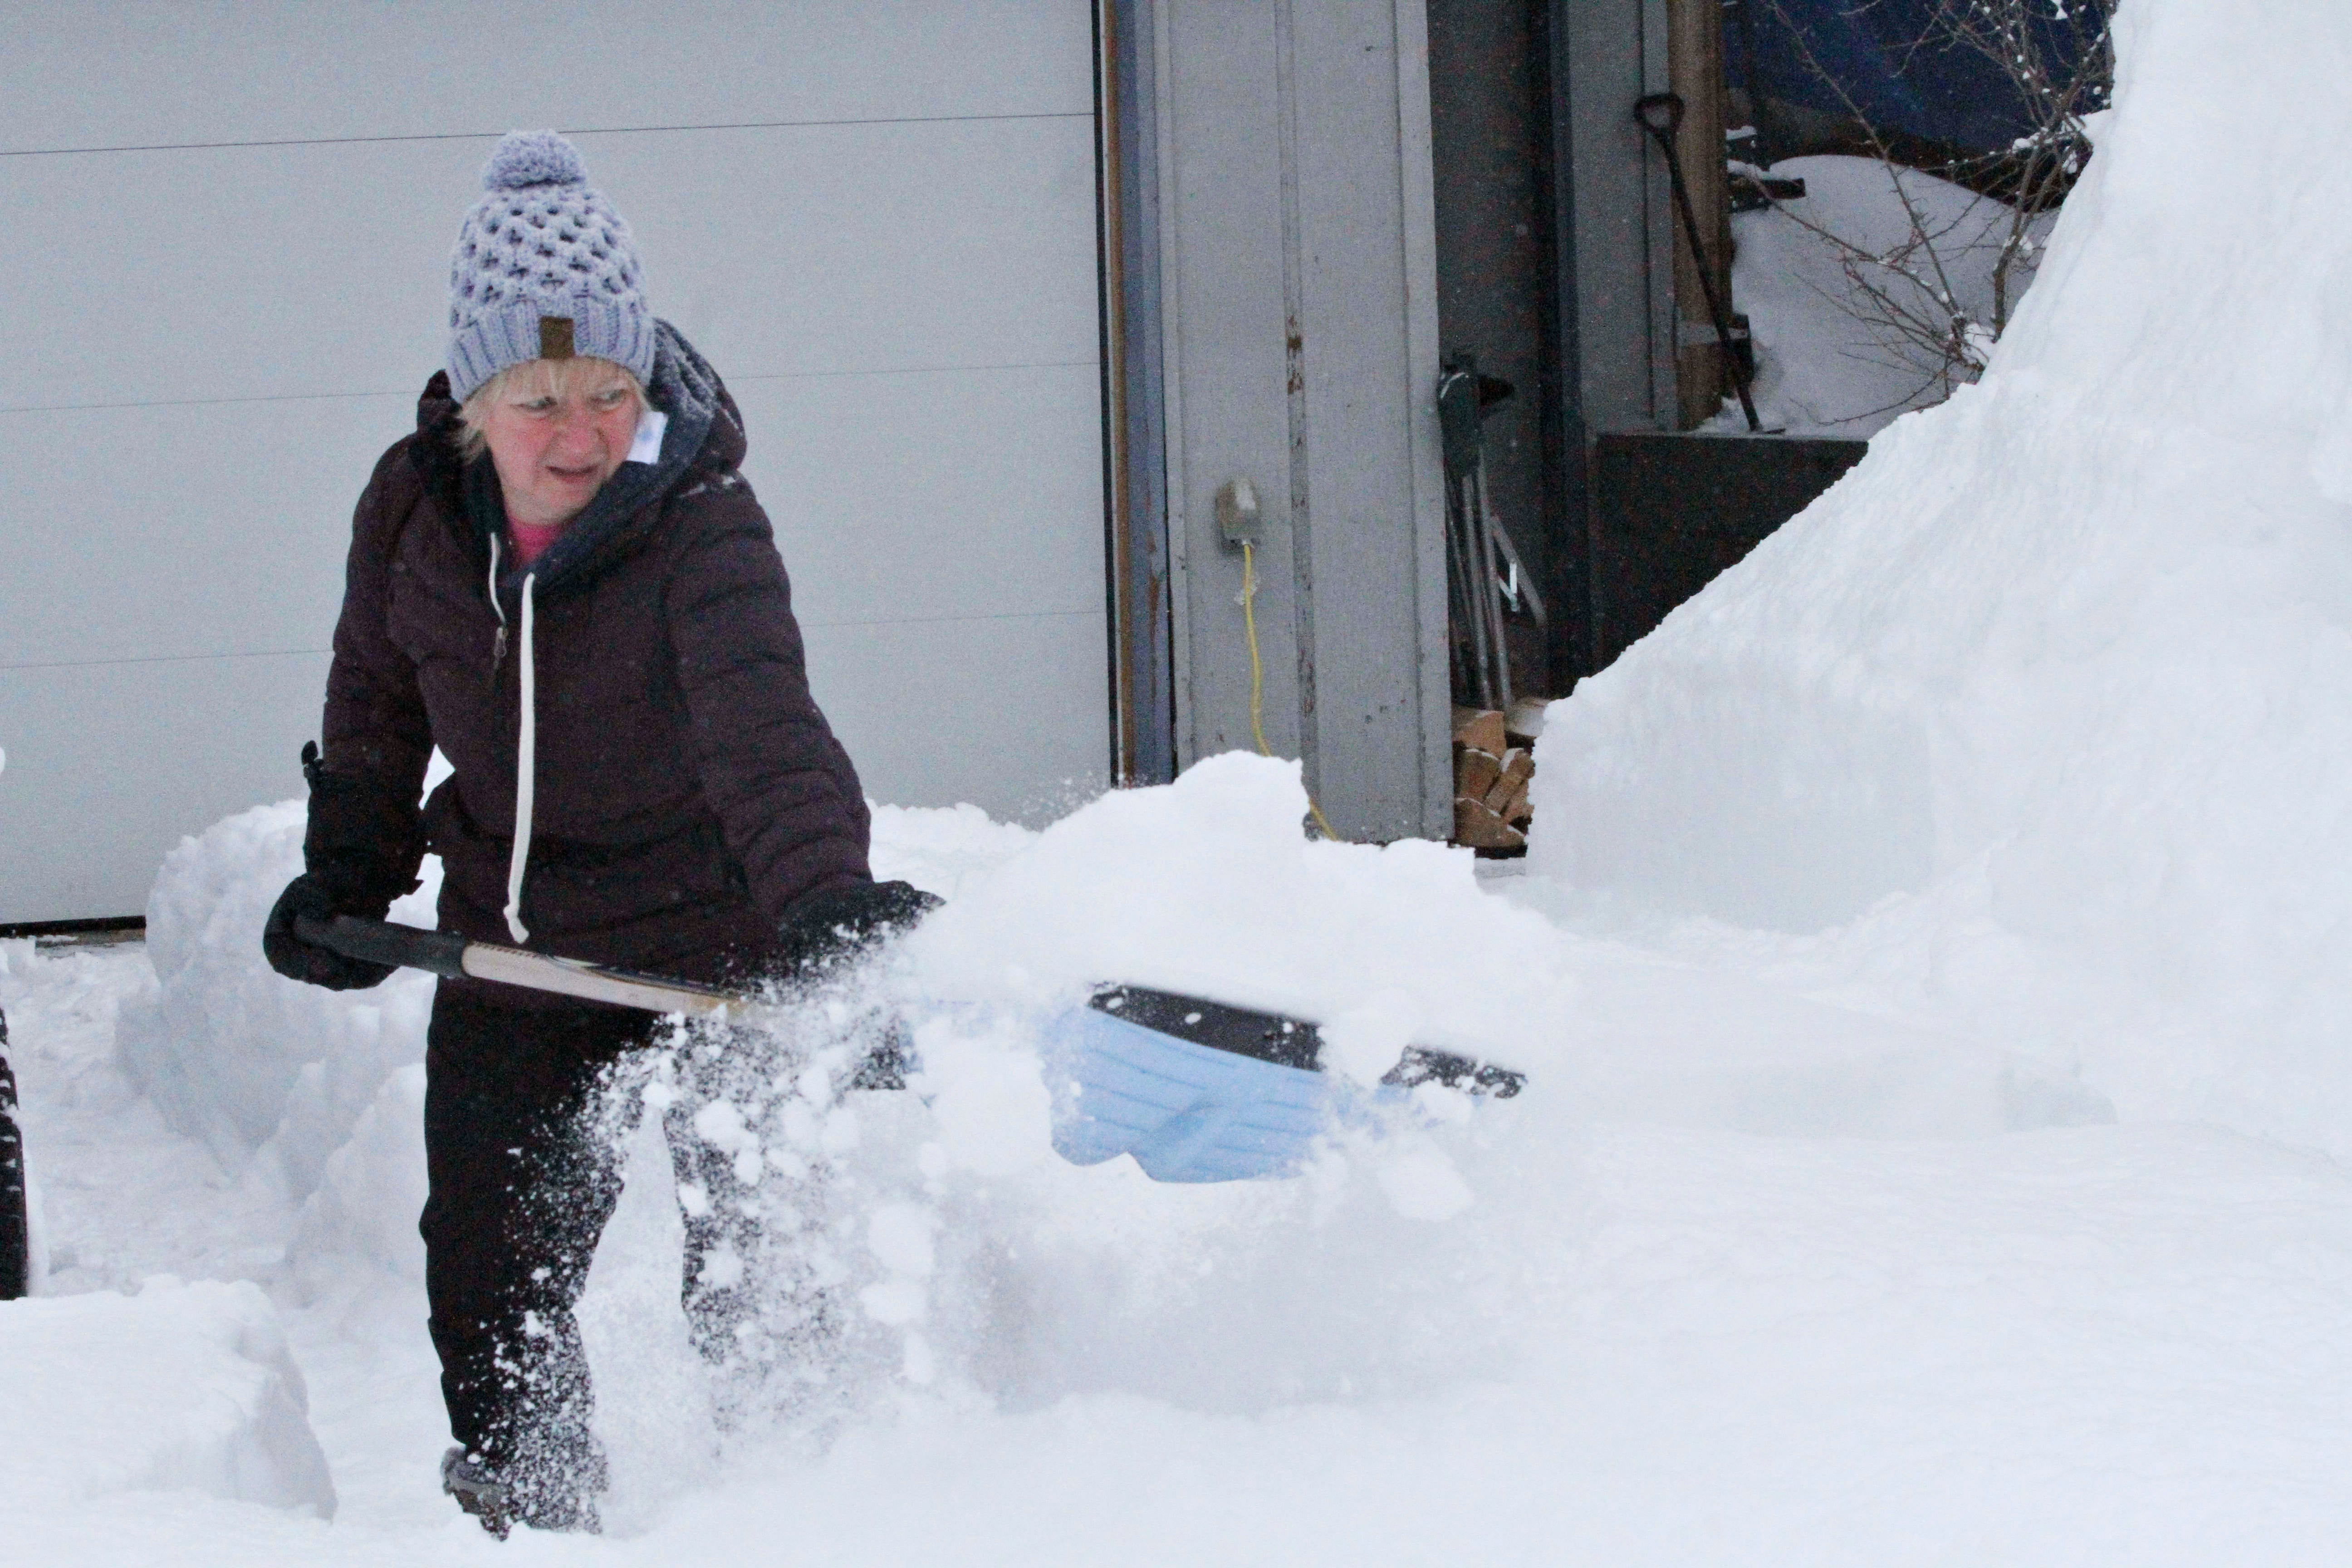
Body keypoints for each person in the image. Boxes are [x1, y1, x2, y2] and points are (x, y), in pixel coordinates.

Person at [261, 130, 934, 1536]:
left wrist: (823, 897)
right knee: (489, 1271)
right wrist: (349, 874)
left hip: (725, 938)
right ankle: (535, 1516)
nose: (580, 437)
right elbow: (376, 703)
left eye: (610, 396)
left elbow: (764, 724)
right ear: (472, 397)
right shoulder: (413, 509)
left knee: (761, 1268)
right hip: (521, 953)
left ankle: (799, 1517)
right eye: (543, 401)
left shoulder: (701, 520)